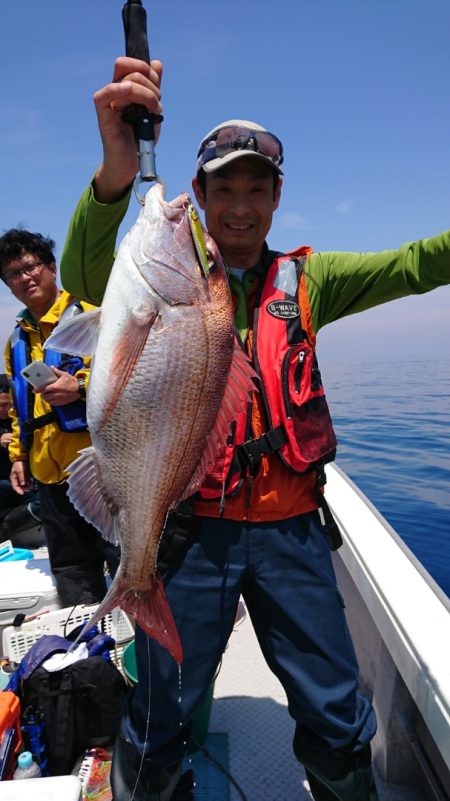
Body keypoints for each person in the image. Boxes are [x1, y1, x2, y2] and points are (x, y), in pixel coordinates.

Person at [59, 57, 450, 801]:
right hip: (189, 529)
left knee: (335, 706)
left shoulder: (310, 280)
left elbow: (412, 264)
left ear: (276, 197)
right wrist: (115, 171)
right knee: (162, 706)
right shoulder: (158, 268)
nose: (239, 207)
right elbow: (83, 271)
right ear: (199, 195)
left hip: (292, 530)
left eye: (256, 189)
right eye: (223, 189)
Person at [0, 229, 120, 606]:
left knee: (121, 560)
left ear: (52, 267)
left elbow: (126, 380)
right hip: (47, 474)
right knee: (71, 570)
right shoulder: (15, 340)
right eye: (13, 274)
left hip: (98, 469)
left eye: (32, 266)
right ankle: (89, 659)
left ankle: (142, 654)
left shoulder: (92, 318)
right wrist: (18, 456)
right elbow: (19, 411)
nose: (25, 278)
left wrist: (80, 389)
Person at [0, 372, 42, 544]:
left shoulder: (24, 419)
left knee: (47, 505)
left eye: (8, 405)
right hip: (2, 484)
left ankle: (7, 527)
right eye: (1, 406)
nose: (4, 410)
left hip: (29, 484)